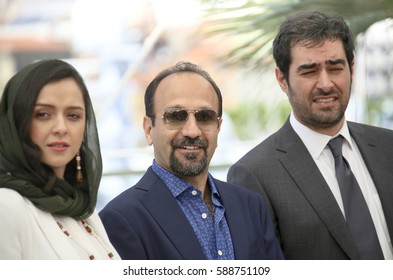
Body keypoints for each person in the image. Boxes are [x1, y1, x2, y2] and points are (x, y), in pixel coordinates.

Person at [227, 11, 393, 260]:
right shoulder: (253, 176)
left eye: (335, 67)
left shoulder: (387, 146)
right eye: (309, 71)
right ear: (282, 79)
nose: (325, 83)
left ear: (352, 69)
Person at [99, 61, 283, 260]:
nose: (192, 131)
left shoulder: (250, 205)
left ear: (219, 127)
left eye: (205, 117)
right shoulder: (121, 219)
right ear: (148, 129)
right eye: (175, 116)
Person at [0, 59, 120, 260]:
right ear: (18, 122)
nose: (61, 128)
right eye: (43, 114)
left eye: (73, 115)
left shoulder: (82, 209)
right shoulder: (7, 205)